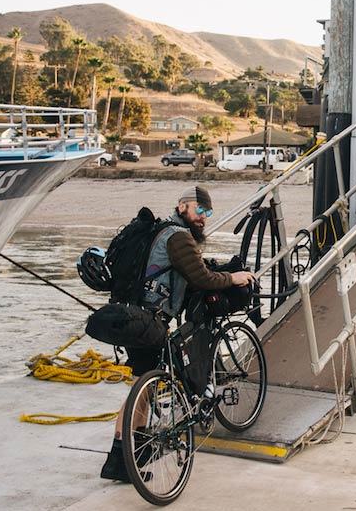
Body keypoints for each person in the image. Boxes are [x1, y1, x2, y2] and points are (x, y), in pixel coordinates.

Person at [100, 185, 256, 483]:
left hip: (132, 314)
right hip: (147, 320)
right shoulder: (178, 236)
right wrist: (232, 277)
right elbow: (201, 277)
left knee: (143, 386)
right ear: (182, 206)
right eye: (199, 210)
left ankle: (136, 452)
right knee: (144, 390)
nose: (204, 217)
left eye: (208, 212)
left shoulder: (162, 231)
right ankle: (119, 459)